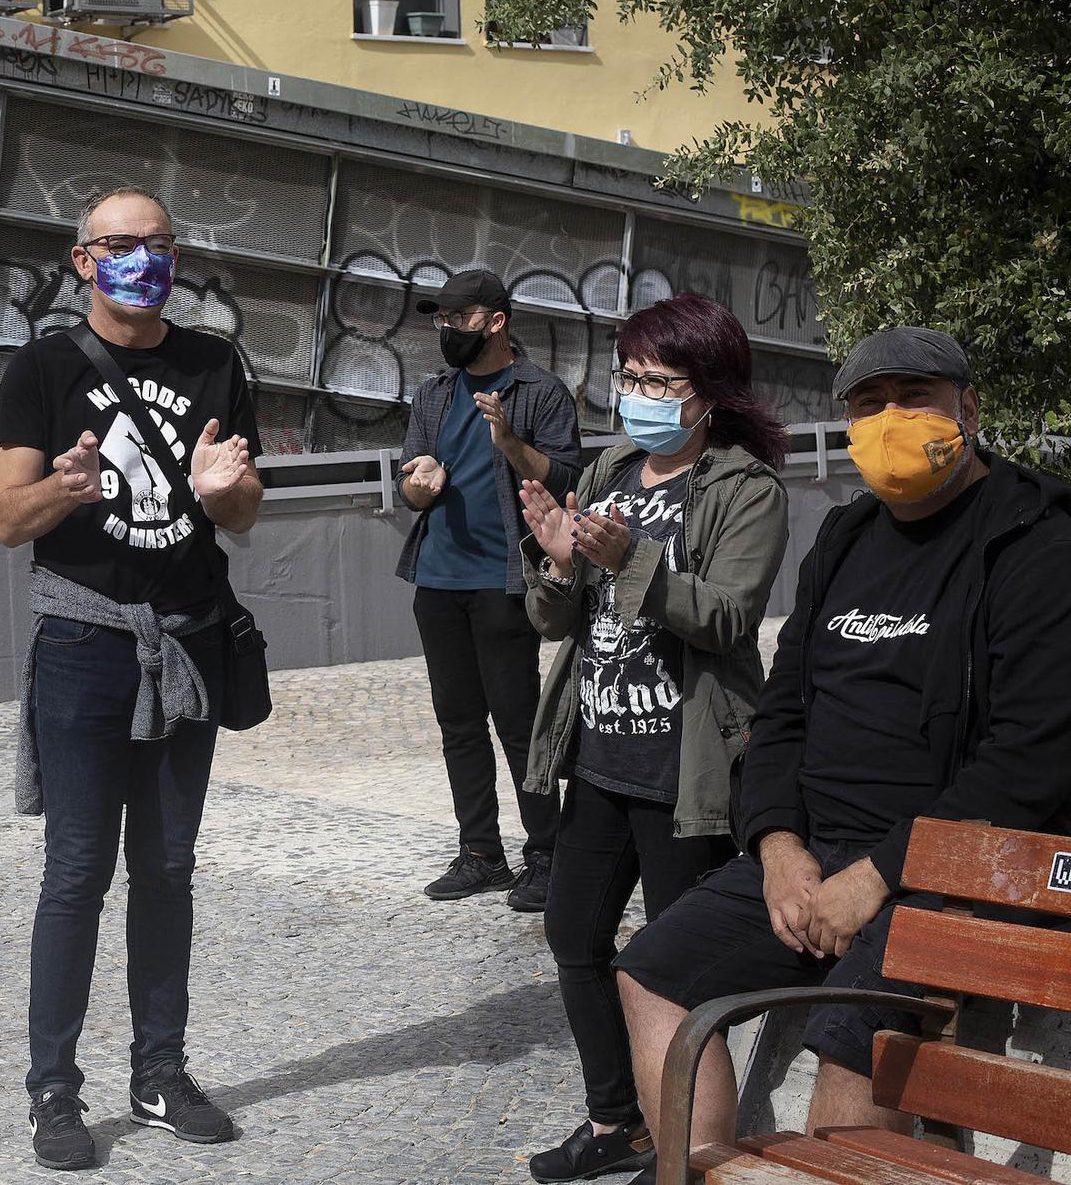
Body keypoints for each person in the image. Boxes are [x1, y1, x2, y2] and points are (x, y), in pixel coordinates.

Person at [612, 327, 1071, 1181]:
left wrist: (877, 875)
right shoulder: (846, 537)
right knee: (652, 972)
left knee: (849, 1039)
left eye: (914, 399)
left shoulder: (1038, 539)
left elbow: (1030, 760)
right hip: (815, 848)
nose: (890, 419)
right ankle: (700, 1171)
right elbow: (781, 714)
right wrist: (779, 848)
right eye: (869, 404)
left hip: (952, 869)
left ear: (969, 410)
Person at [0, 186, 263, 1171]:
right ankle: (52, 1090)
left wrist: (233, 493)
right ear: (81, 259)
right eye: (118, 244)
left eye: (154, 244)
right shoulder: (44, 365)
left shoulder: (213, 361)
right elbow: (3, 518)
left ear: (175, 256)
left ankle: (158, 1070)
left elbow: (239, 502)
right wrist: (60, 487)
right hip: (83, 645)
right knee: (74, 872)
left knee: (167, 868)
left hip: (185, 643)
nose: (138, 258)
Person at [516, 294, 790, 1183]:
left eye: (661, 381)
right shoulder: (611, 468)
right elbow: (558, 619)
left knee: (678, 965)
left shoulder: (746, 489)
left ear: (709, 393)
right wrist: (558, 562)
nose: (639, 395)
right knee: (574, 936)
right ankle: (615, 1119)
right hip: (602, 754)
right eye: (629, 376)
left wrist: (627, 559)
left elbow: (726, 616)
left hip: (689, 769)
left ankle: (693, 1148)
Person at [398, 268, 582, 910]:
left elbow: (562, 479)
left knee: (518, 723)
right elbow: (412, 479)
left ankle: (548, 852)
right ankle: (480, 853)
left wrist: (508, 440)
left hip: (506, 581)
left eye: (458, 319)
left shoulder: (541, 392)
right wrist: (417, 485)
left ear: (496, 321)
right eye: (440, 320)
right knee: (458, 723)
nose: (446, 330)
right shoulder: (434, 393)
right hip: (437, 578)